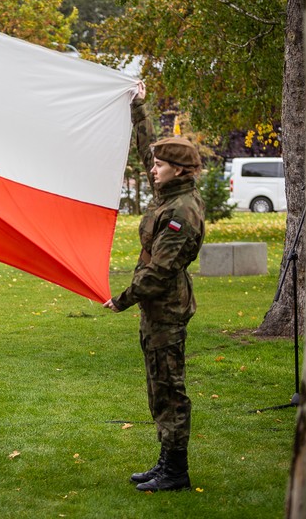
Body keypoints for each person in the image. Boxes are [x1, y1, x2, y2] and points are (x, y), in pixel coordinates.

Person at [103, 82, 205, 492]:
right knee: (158, 385)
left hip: (166, 308)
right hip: (157, 309)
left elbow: (159, 271)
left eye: (160, 165)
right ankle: (165, 461)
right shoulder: (170, 189)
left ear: (178, 170)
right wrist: (138, 106)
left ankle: (175, 471)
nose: (152, 168)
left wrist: (122, 299)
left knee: (169, 389)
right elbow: (149, 149)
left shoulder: (181, 211)